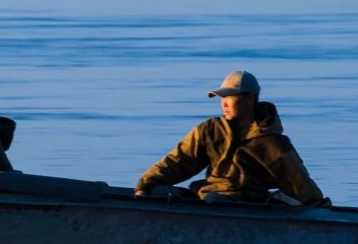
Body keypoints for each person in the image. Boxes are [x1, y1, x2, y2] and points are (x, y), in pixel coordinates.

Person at [134, 71, 330, 206]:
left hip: (244, 207)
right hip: (207, 199)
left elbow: (298, 182)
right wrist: (145, 186)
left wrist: (320, 210)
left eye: (230, 97)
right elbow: (177, 162)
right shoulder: (209, 130)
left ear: (249, 98)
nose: (224, 103)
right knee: (159, 193)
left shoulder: (272, 142)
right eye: (222, 98)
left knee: (215, 201)